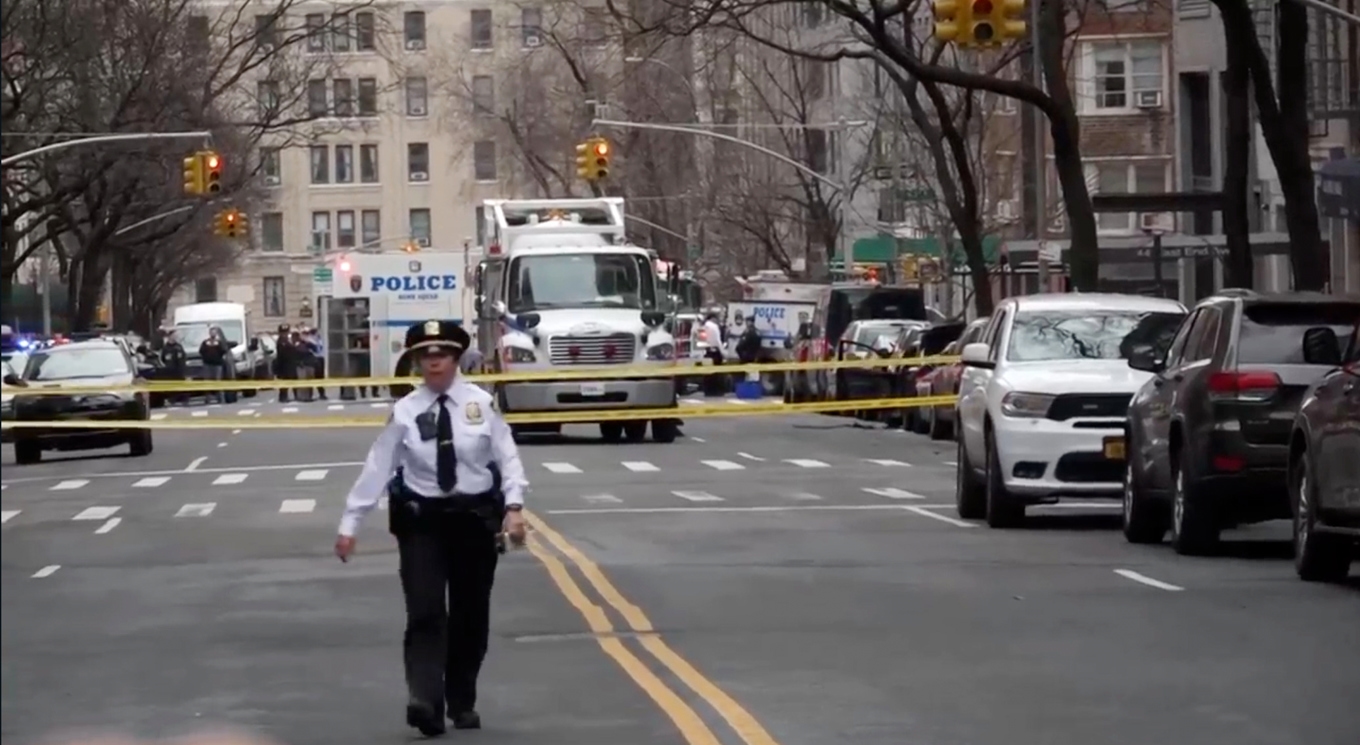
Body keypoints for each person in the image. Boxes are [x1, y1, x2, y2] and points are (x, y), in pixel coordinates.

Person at [334, 319, 529, 737]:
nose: (434, 361)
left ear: (456, 359)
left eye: (442, 354)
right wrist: (351, 522)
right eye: (425, 355)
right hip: (423, 521)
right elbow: (379, 465)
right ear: (416, 362)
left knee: (470, 615)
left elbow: (507, 458)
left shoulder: (481, 404)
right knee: (424, 611)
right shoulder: (406, 410)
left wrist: (514, 506)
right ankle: (424, 701)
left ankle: (461, 700)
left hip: (474, 520)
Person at [198, 326, 229, 404]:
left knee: (218, 381)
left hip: (217, 365)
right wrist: (206, 358)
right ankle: (207, 399)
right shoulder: (205, 342)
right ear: (209, 333)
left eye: (214, 332)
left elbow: (224, 350)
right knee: (207, 382)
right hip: (207, 365)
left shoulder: (219, 342)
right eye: (212, 332)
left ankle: (220, 398)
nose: (213, 334)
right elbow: (201, 351)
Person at [160, 329, 188, 406]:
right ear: (170, 336)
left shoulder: (179, 346)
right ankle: (172, 399)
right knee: (172, 385)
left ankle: (183, 400)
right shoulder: (166, 348)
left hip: (180, 370)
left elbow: (184, 357)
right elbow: (163, 358)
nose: (176, 337)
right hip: (170, 371)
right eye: (174, 335)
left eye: (176, 335)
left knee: (182, 385)